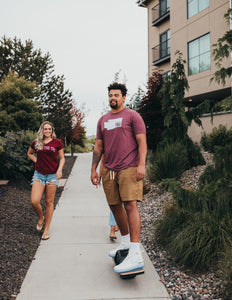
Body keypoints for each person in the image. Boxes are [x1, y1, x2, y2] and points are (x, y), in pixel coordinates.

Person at [91, 82, 147, 274]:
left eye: (116, 95)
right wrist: (94, 169)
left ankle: (135, 252)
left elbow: (142, 142)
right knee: (114, 206)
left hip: (129, 167)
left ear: (124, 97)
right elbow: (98, 147)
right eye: (110, 95)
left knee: (130, 205)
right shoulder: (102, 120)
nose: (113, 98)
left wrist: (141, 165)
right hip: (108, 169)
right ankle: (125, 243)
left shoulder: (133, 116)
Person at [27, 121, 65, 240]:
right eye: (45, 129)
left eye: (49, 129)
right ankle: (41, 217)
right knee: (34, 201)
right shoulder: (36, 142)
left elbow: (62, 158)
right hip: (39, 175)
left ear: (52, 130)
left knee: (49, 202)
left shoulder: (57, 142)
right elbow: (30, 153)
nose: (47, 131)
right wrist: (36, 161)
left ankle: (46, 229)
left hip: (52, 175)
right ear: (42, 130)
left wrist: (59, 170)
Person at [98, 154, 119, 240]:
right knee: (113, 202)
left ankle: (114, 226)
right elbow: (103, 161)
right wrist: (99, 175)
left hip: (123, 174)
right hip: (110, 174)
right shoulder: (108, 143)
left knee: (120, 202)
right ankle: (114, 225)